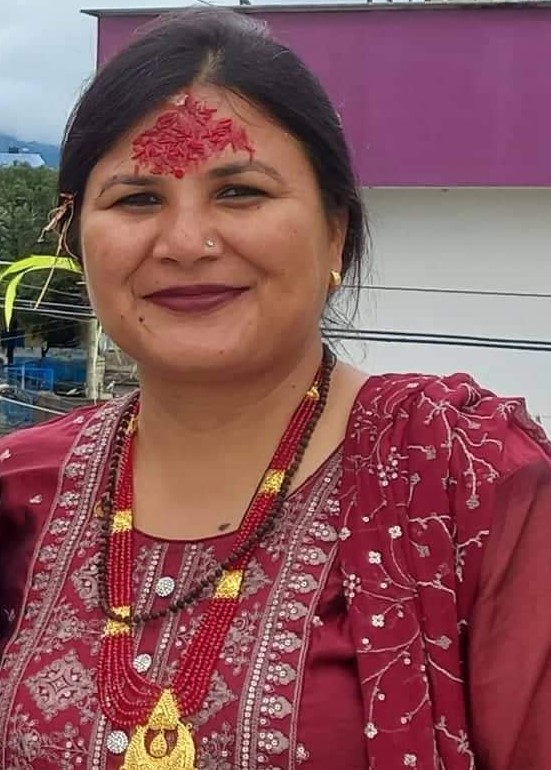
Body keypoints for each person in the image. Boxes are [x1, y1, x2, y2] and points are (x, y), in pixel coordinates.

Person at [0, 8, 549, 770]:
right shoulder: (20, 491)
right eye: (137, 200)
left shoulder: (468, 481)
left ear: (335, 231)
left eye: (239, 192)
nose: (186, 243)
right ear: (74, 238)